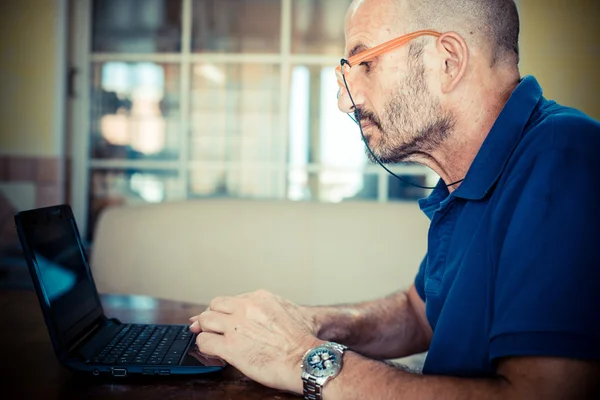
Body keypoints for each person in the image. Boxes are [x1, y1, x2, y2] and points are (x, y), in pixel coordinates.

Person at [189, 0, 600, 398]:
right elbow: (417, 312)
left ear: (448, 62)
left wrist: (300, 357)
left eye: (365, 63)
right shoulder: (465, 177)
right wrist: (310, 323)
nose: (344, 102)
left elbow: (542, 393)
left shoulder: (564, 156)